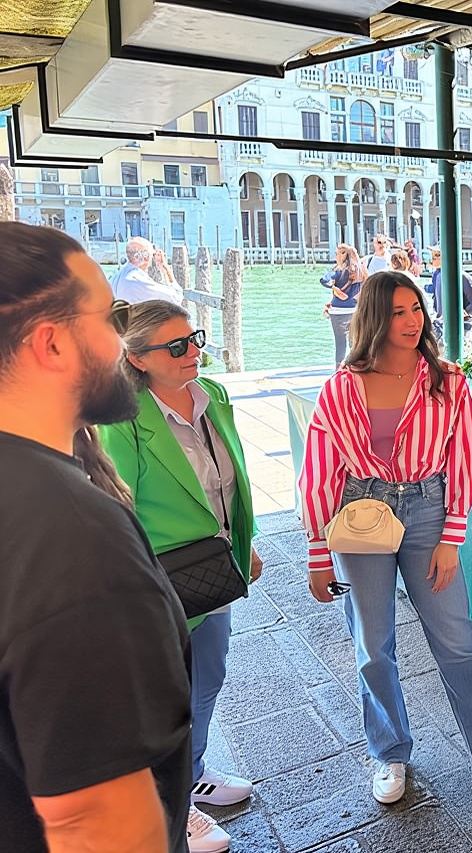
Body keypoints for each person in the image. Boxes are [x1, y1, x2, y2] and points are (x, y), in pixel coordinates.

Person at [298, 270, 472, 806]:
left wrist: (453, 536)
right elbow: (319, 470)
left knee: (456, 639)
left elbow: (463, 460)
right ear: (373, 318)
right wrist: (318, 553)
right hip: (360, 510)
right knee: (372, 647)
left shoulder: (449, 380)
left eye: (416, 310)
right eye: (398, 311)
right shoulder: (340, 387)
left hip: (428, 510)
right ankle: (389, 752)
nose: (411, 321)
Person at [0, 222, 191, 853]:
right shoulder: (71, 536)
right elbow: (96, 823)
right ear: (51, 343)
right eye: (109, 318)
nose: (120, 341)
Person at [98, 300, 264, 853]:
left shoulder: (212, 396)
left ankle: (187, 775)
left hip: (213, 568)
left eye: (192, 338)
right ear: (138, 359)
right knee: (164, 694)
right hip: (159, 576)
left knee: (207, 678)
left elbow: (234, 474)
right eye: (175, 347)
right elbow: (118, 506)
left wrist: (246, 544)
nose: (193, 351)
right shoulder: (123, 418)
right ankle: (169, 806)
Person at [427, 245, 472, 351]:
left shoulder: (462, 277)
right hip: (442, 324)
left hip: (462, 327)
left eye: (437, 255)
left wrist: (461, 314)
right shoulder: (437, 275)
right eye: (433, 256)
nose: (433, 259)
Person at [322, 244, 366, 368]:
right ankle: (355, 368)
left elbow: (324, 280)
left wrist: (334, 288)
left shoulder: (338, 271)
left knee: (340, 343)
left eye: (337, 253)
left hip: (338, 312)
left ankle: (339, 371)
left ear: (343, 255)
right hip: (354, 310)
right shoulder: (360, 270)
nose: (335, 256)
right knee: (354, 342)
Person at [113, 236, 183, 305]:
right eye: (152, 255)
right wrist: (164, 267)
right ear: (146, 256)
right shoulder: (138, 281)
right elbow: (176, 297)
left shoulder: (117, 276)